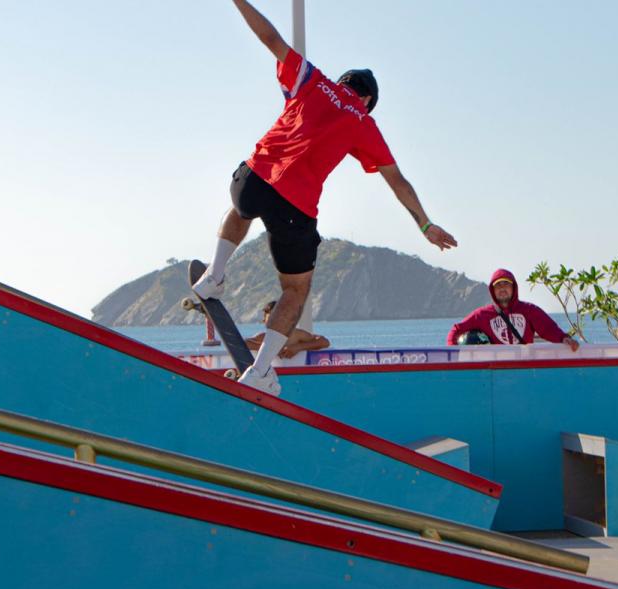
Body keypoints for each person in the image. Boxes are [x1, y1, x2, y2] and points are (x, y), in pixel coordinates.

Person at [190, 0, 457, 396]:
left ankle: (214, 275)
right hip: (295, 205)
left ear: (343, 82)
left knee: (241, 208)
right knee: (294, 291)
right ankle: (260, 372)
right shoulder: (363, 122)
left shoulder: (311, 79)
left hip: (253, 176)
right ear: (367, 100)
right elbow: (397, 180)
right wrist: (425, 224)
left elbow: (270, 38)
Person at [445, 270, 579, 350]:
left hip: (523, 368)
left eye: (506, 284)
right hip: (496, 372)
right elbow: (456, 330)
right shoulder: (482, 315)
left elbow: (548, 329)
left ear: (513, 288)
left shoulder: (529, 310)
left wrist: (563, 339)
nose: (502, 288)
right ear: (492, 290)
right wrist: (453, 354)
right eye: (498, 285)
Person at [245, 300, 330, 357]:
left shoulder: (295, 335)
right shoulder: (263, 337)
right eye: (271, 319)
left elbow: (324, 341)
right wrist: (269, 349)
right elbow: (245, 343)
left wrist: (298, 347)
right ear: (264, 321)